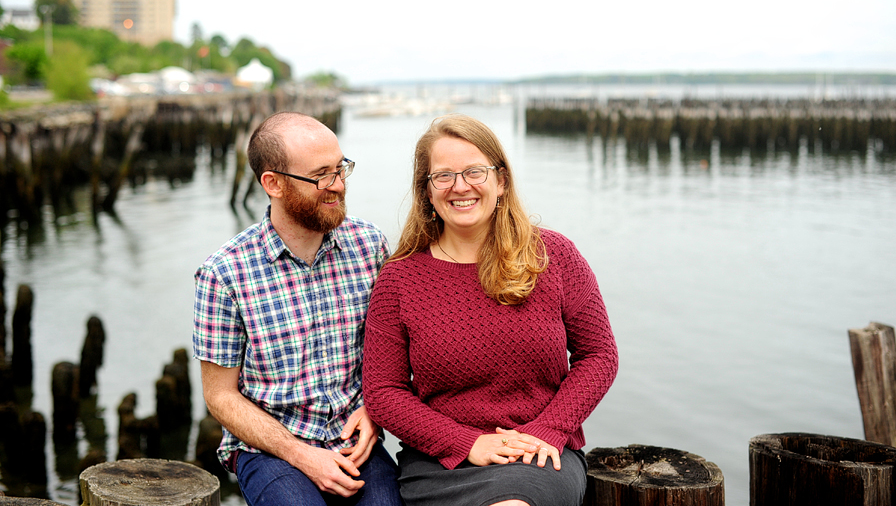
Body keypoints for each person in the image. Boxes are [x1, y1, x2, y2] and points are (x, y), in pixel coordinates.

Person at [362, 113, 618, 506]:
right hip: (441, 463)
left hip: (540, 453)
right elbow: (383, 392)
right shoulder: (399, 278)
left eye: (474, 172)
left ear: (501, 181)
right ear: (427, 191)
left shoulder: (554, 254)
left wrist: (548, 429)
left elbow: (599, 355)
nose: (460, 187)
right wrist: (467, 443)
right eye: (443, 176)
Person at [193, 112, 402, 506]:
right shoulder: (223, 274)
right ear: (273, 184)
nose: (338, 185)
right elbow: (219, 396)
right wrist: (301, 454)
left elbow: (389, 351)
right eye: (321, 175)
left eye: (341, 169)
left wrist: (373, 410)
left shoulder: (369, 246)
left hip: (353, 435)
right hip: (269, 447)